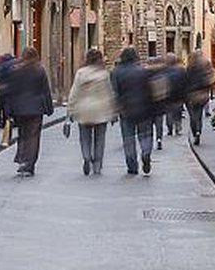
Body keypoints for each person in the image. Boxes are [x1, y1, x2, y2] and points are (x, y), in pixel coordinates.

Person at [65, 48, 116, 176]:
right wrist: (113, 112)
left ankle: (86, 156)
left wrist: (70, 110)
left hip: (83, 109)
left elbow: (74, 92)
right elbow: (109, 93)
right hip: (101, 109)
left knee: (84, 137)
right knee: (100, 139)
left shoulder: (81, 73)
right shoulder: (104, 74)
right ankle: (97, 164)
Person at [5, 47, 53, 176]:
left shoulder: (15, 70)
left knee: (22, 134)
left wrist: (8, 110)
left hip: (19, 108)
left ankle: (22, 160)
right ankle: (29, 164)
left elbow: (10, 92)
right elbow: (45, 90)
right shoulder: (39, 70)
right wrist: (49, 108)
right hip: (36, 109)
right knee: (33, 137)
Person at [111, 47, 159, 175]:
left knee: (128, 138)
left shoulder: (116, 72)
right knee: (145, 134)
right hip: (144, 109)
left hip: (126, 110)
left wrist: (115, 109)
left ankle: (132, 165)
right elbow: (152, 91)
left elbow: (114, 93)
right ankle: (146, 152)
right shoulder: (143, 71)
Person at [183, 51, 215, 145]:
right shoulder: (202, 69)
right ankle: (198, 131)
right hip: (201, 96)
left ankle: (194, 131)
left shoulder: (188, 70)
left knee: (192, 116)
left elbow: (184, 83)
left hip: (190, 96)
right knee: (199, 115)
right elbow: (206, 82)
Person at [0, 53, 15, 146]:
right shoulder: (7, 68)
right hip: (5, 91)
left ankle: (0, 121)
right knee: (5, 107)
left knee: (0, 106)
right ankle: (6, 122)